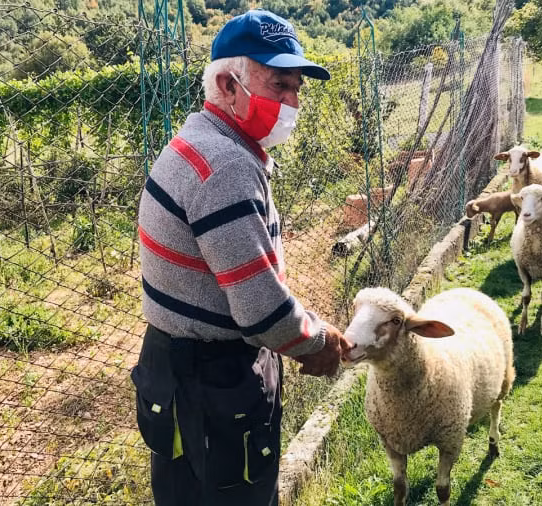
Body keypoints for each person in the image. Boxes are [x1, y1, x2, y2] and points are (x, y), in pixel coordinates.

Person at [131, 9, 352, 506]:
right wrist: (318, 341)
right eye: (279, 85)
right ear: (230, 86)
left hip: (177, 377)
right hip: (213, 385)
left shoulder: (199, 141)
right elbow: (260, 311)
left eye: (298, 88)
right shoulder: (227, 165)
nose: (293, 102)